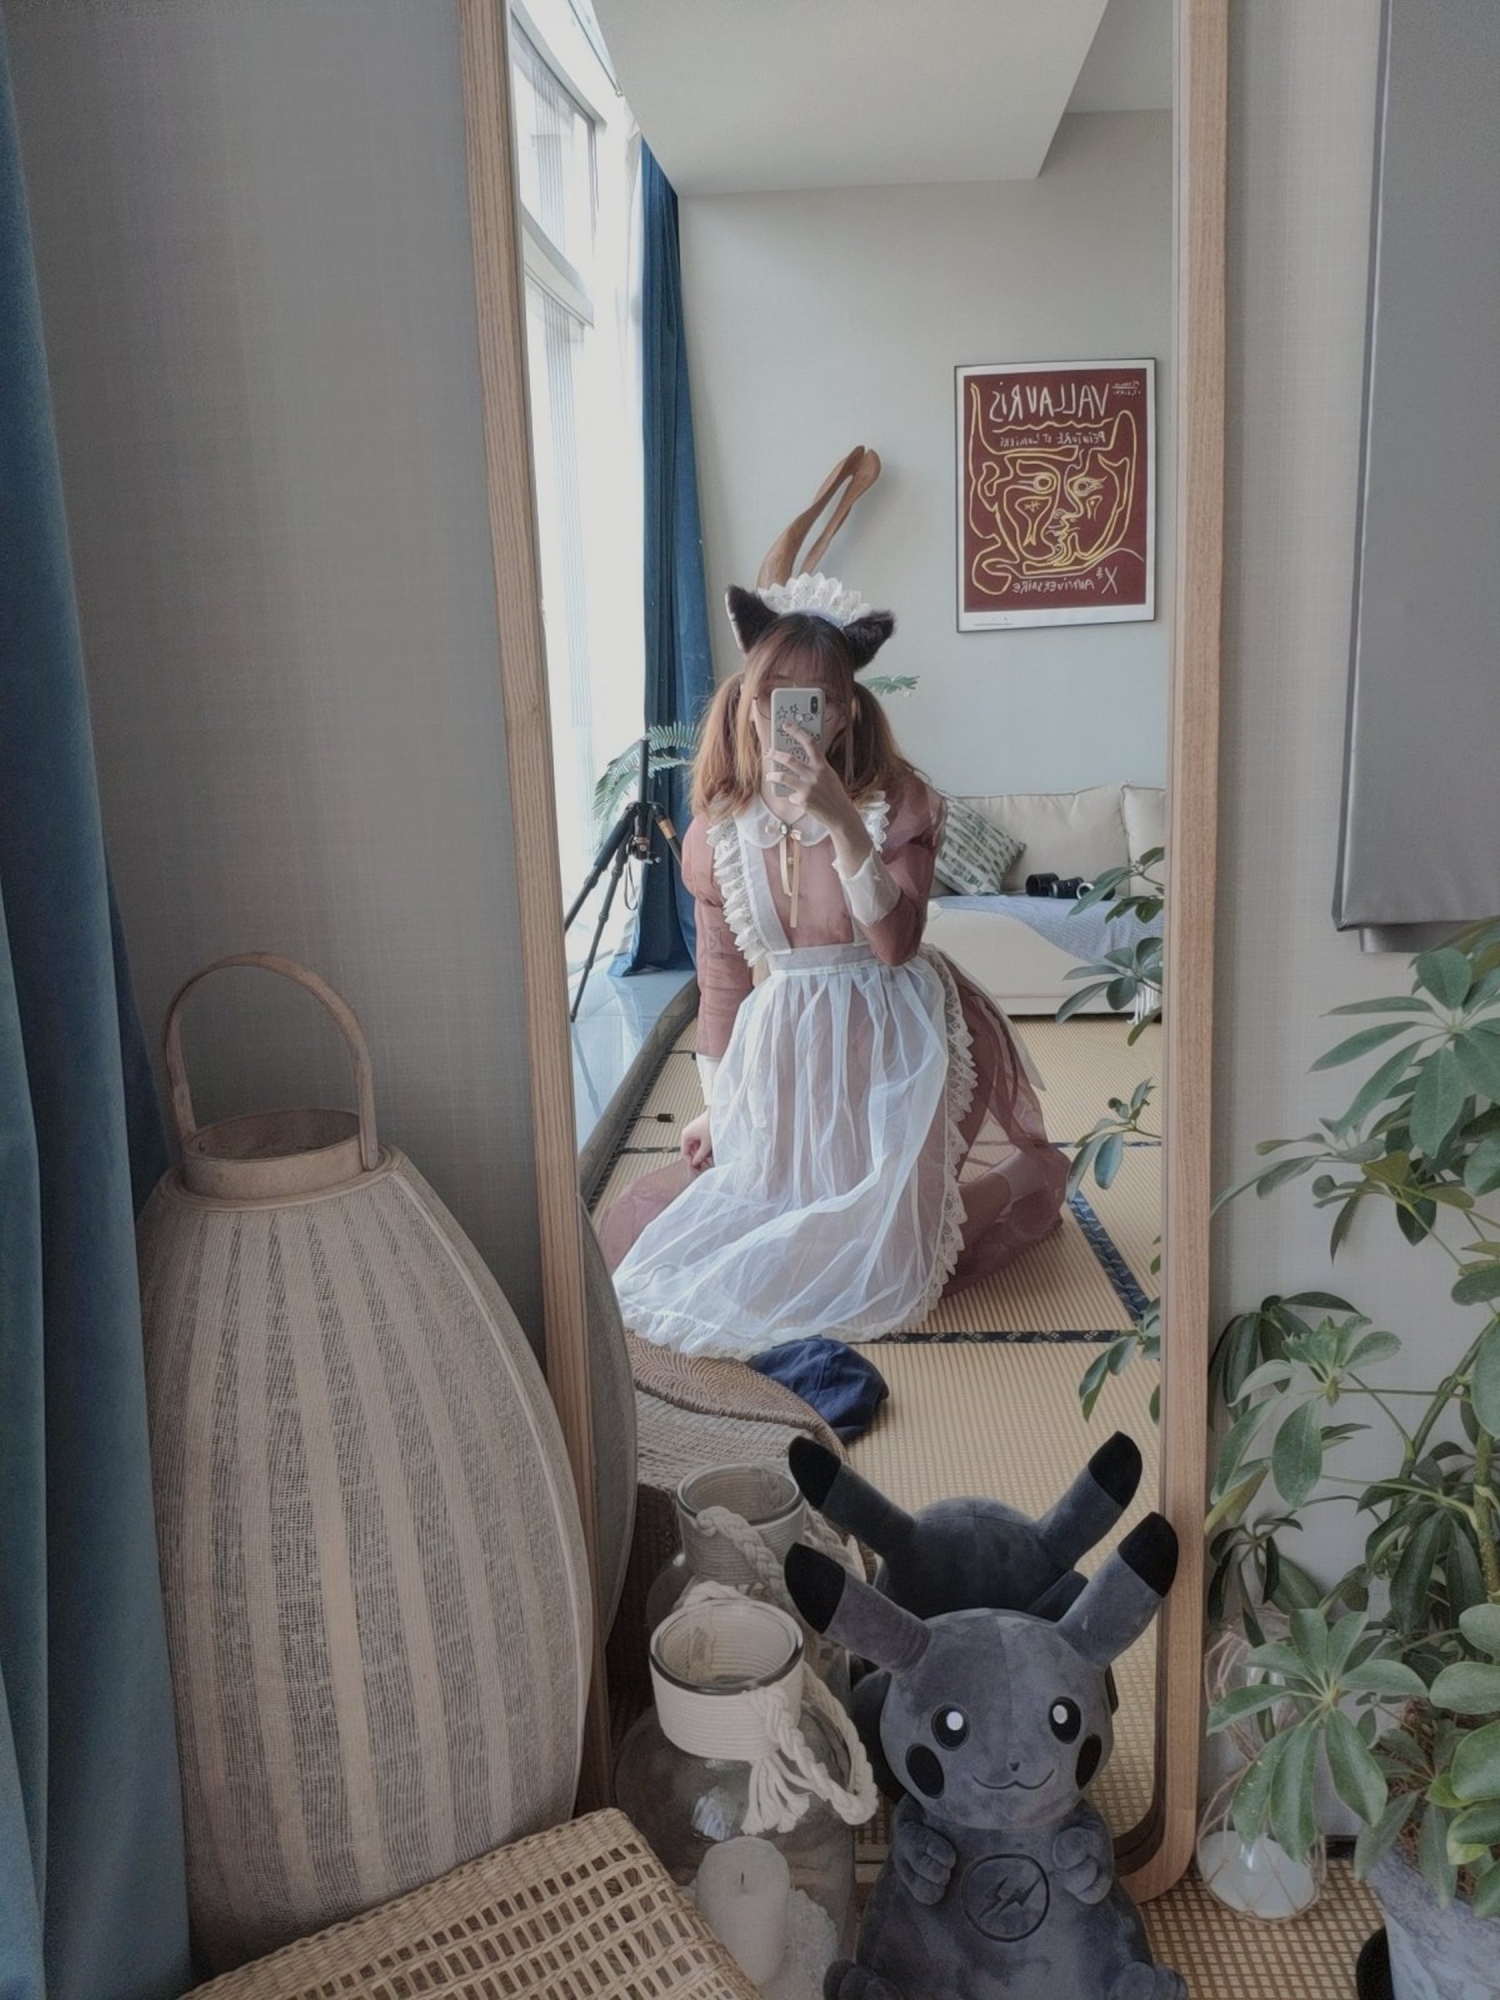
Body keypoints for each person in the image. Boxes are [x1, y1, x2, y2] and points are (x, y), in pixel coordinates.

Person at [598, 572, 1067, 1358]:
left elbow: (895, 945)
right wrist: (718, 1108)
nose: (790, 715)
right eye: (772, 695)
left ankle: (968, 1191)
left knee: (884, 1253)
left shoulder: (896, 802)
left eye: (816, 699)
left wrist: (843, 822)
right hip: (786, 1044)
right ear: (748, 703)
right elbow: (723, 976)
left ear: (845, 710)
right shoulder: (718, 832)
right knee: (750, 1240)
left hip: (897, 1035)